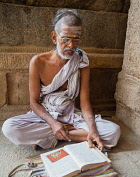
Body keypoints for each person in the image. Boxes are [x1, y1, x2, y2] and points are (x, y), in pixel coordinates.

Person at [2, 9, 121, 151]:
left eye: (76, 40)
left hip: (70, 114)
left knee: (114, 132)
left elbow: (84, 102)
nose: (71, 46)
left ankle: (54, 136)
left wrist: (93, 129)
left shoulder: (81, 61)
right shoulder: (38, 62)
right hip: (46, 114)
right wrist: (52, 123)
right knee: (10, 128)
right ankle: (70, 133)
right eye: (65, 39)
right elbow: (34, 103)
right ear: (54, 37)